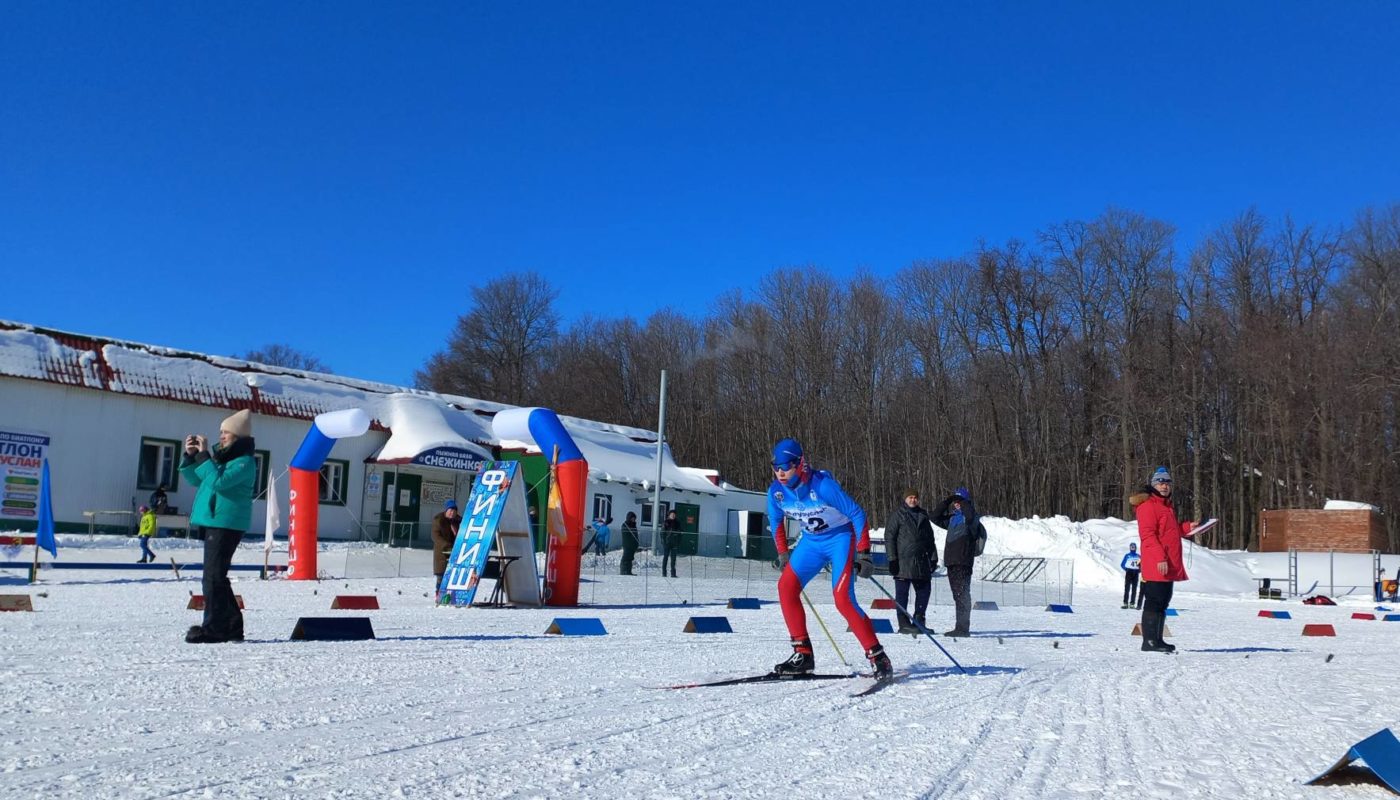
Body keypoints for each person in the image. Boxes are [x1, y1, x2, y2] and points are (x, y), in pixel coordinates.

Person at [767, 438, 892, 678]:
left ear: (800, 463)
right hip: (812, 543)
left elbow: (856, 513)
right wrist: (783, 552)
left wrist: (864, 552)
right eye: (776, 468)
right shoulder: (776, 493)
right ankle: (802, 655)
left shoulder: (823, 486)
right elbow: (775, 522)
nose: (780, 473)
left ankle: (878, 657)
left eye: (785, 467)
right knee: (786, 587)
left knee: (842, 599)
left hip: (840, 539)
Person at [180, 409, 256, 644]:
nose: (221, 436)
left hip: (226, 523)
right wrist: (191, 456)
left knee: (212, 577)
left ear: (238, 436)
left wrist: (204, 458)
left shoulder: (244, 463)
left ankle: (214, 627)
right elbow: (196, 479)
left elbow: (218, 482)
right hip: (215, 521)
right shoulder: (223, 460)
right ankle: (231, 626)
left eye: (227, 432)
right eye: (221, 432)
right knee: (216, 577)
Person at [1130, 466, 1197, 654]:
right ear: (1153, 485)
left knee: (1163, 602)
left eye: (1167, 482)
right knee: (1154, 601)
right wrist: (1160, 557)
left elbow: (1171, 531)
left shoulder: (1166, 507)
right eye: (1160, 482)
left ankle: (1157, 640)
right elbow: (1148, 536)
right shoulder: (1148, 506)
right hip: (1157, 563)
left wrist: (1187, 527)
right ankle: (1149, 641)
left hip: (1168, 563)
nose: (1164, 485)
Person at [932, 487, 986, 637]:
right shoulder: (952, 518)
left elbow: (970, 516)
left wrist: (964, 502)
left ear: (966, 502)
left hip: (963, 561)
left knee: (962, 594)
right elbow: (934, 517)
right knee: (958, 595)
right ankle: (960, 626)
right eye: (955, 501)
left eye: (959, 501)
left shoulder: (972, 518)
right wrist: (947, 501)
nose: (957, 504)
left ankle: (962, 628)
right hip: (951, 561)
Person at [884, 488, 939, 634]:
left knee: (924, 591)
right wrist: (892, 559)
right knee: (902, 593)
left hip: (921, 562)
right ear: (905, 499)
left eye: (915, 497)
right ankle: (903, 623)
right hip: (903, 561)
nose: (913, 500)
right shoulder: (897, 515)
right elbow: (889, 538)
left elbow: (930, 539)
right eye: (910, 497)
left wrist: (933, 558)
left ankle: (919, 620)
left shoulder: (923, 515)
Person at [431, 500, 461, 597]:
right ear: (446, 511)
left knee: (453, 575)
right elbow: (435, 536)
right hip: (442, 552)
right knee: (441, 576)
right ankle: (439, 594)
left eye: (454, 511)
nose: (452, 513)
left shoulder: (458, 521)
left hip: (455, 552)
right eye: (450, 510)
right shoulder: (439, 520)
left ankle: (451, 595)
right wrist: (446, 545)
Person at [1121, 542, 1142, 609]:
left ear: (1136, 548)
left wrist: (1139, 570)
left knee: (1134, 588)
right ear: (1130, 548)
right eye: (1131, 547)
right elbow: (1122, 564)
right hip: (1129, 572)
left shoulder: (1138, 556)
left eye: (1134, 547)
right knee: (1127, 588)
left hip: (1135, 573)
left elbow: (1141, 565)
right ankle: (1125, 603)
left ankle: (1132, 603)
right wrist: (1127, 570)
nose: (1133, 548)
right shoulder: (1127, 555)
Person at [662, 510, 681, 578]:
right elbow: (662, 533)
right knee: (665, 558)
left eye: (674, 514)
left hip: (674, 544)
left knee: (673, 559)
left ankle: (673, 573)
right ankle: (664, 573)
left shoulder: (677, 523)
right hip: (667, 543)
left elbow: (680, 533)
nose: (673, 515)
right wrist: (663, 542)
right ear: (669, 515)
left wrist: (678, 541)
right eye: (672, 514)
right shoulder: (666, 522)